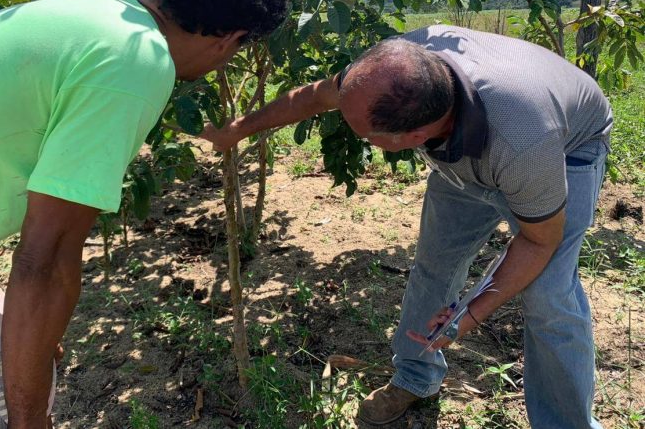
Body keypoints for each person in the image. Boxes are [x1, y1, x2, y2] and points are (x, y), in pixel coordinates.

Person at [0, 0, 289, 429]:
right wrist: (30, 421)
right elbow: (45, 260)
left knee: (29, 367)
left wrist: (36, 344)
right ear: (230, 39)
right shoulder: (137, 63)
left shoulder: (103, 12)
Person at [202, 26, 612, 428]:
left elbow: (539, 242)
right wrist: (236, 130)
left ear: (412, 137)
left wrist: (467, 317)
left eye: (365, 134)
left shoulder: (523, 144)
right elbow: (314, 96)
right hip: (472, 148)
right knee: (435, 264)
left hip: (568, 146)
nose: (353, 131)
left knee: (548, 295)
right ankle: (416, 377)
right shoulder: (392, 70)